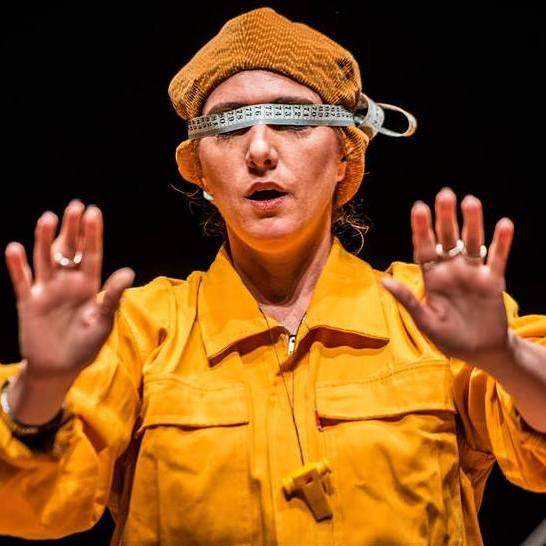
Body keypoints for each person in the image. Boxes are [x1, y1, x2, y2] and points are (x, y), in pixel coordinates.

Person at [1, 6, 545, 545]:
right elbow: (30, 505)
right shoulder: (139, 330)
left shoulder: (428, 316)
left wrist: (504, 357)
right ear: (201, 172)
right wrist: (41, 386)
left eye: (292, 119)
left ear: (344, 157)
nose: (260, 149)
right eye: (229, 126)